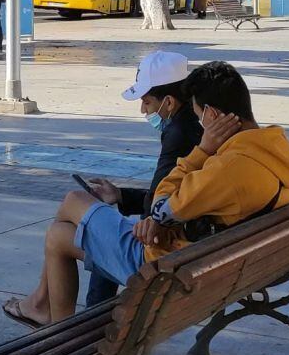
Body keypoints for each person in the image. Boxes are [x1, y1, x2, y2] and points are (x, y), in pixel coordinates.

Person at [3, 61, 289, 327]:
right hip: (210, 262)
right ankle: (50, 317)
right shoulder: (273, 145)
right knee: (58, 234)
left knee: (71, 203)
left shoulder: (229, 166)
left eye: (201, 117)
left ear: (213, 115)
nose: (200, 125)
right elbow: (176, 208)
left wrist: (201, 152)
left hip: (165, 266)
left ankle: (50, 319)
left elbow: (162, 203)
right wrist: (158, 215)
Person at [78, 52, 203, 308]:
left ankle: (77, 322)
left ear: (168, 102)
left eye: (146, 102)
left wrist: (134, 207)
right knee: (94, 235)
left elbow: (154, 209)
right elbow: (169, 192)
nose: (143, 110)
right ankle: (75, 318)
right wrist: (120, 196)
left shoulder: (178, 135)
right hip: (194, 245)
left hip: (168, 252)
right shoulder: (191, 125)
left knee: (75, 219)